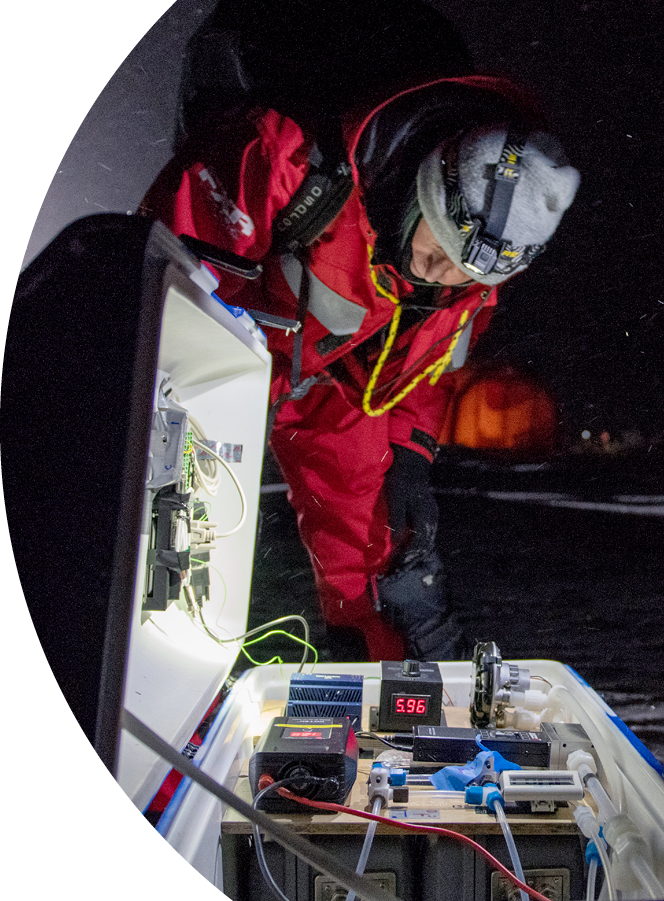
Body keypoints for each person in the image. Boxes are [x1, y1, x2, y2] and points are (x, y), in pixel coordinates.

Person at [141, 71, 580, 662]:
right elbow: (158, 290)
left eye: (467, 274)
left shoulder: (469, 286)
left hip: (333, 384)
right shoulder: (279, 163)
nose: (444, 279)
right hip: (217, 358)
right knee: (161, 521)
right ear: (425, 190)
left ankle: (386, 684)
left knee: (380, 552)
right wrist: (165, 406)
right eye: (437, 252)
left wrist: (410, 458)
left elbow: (427, 374)